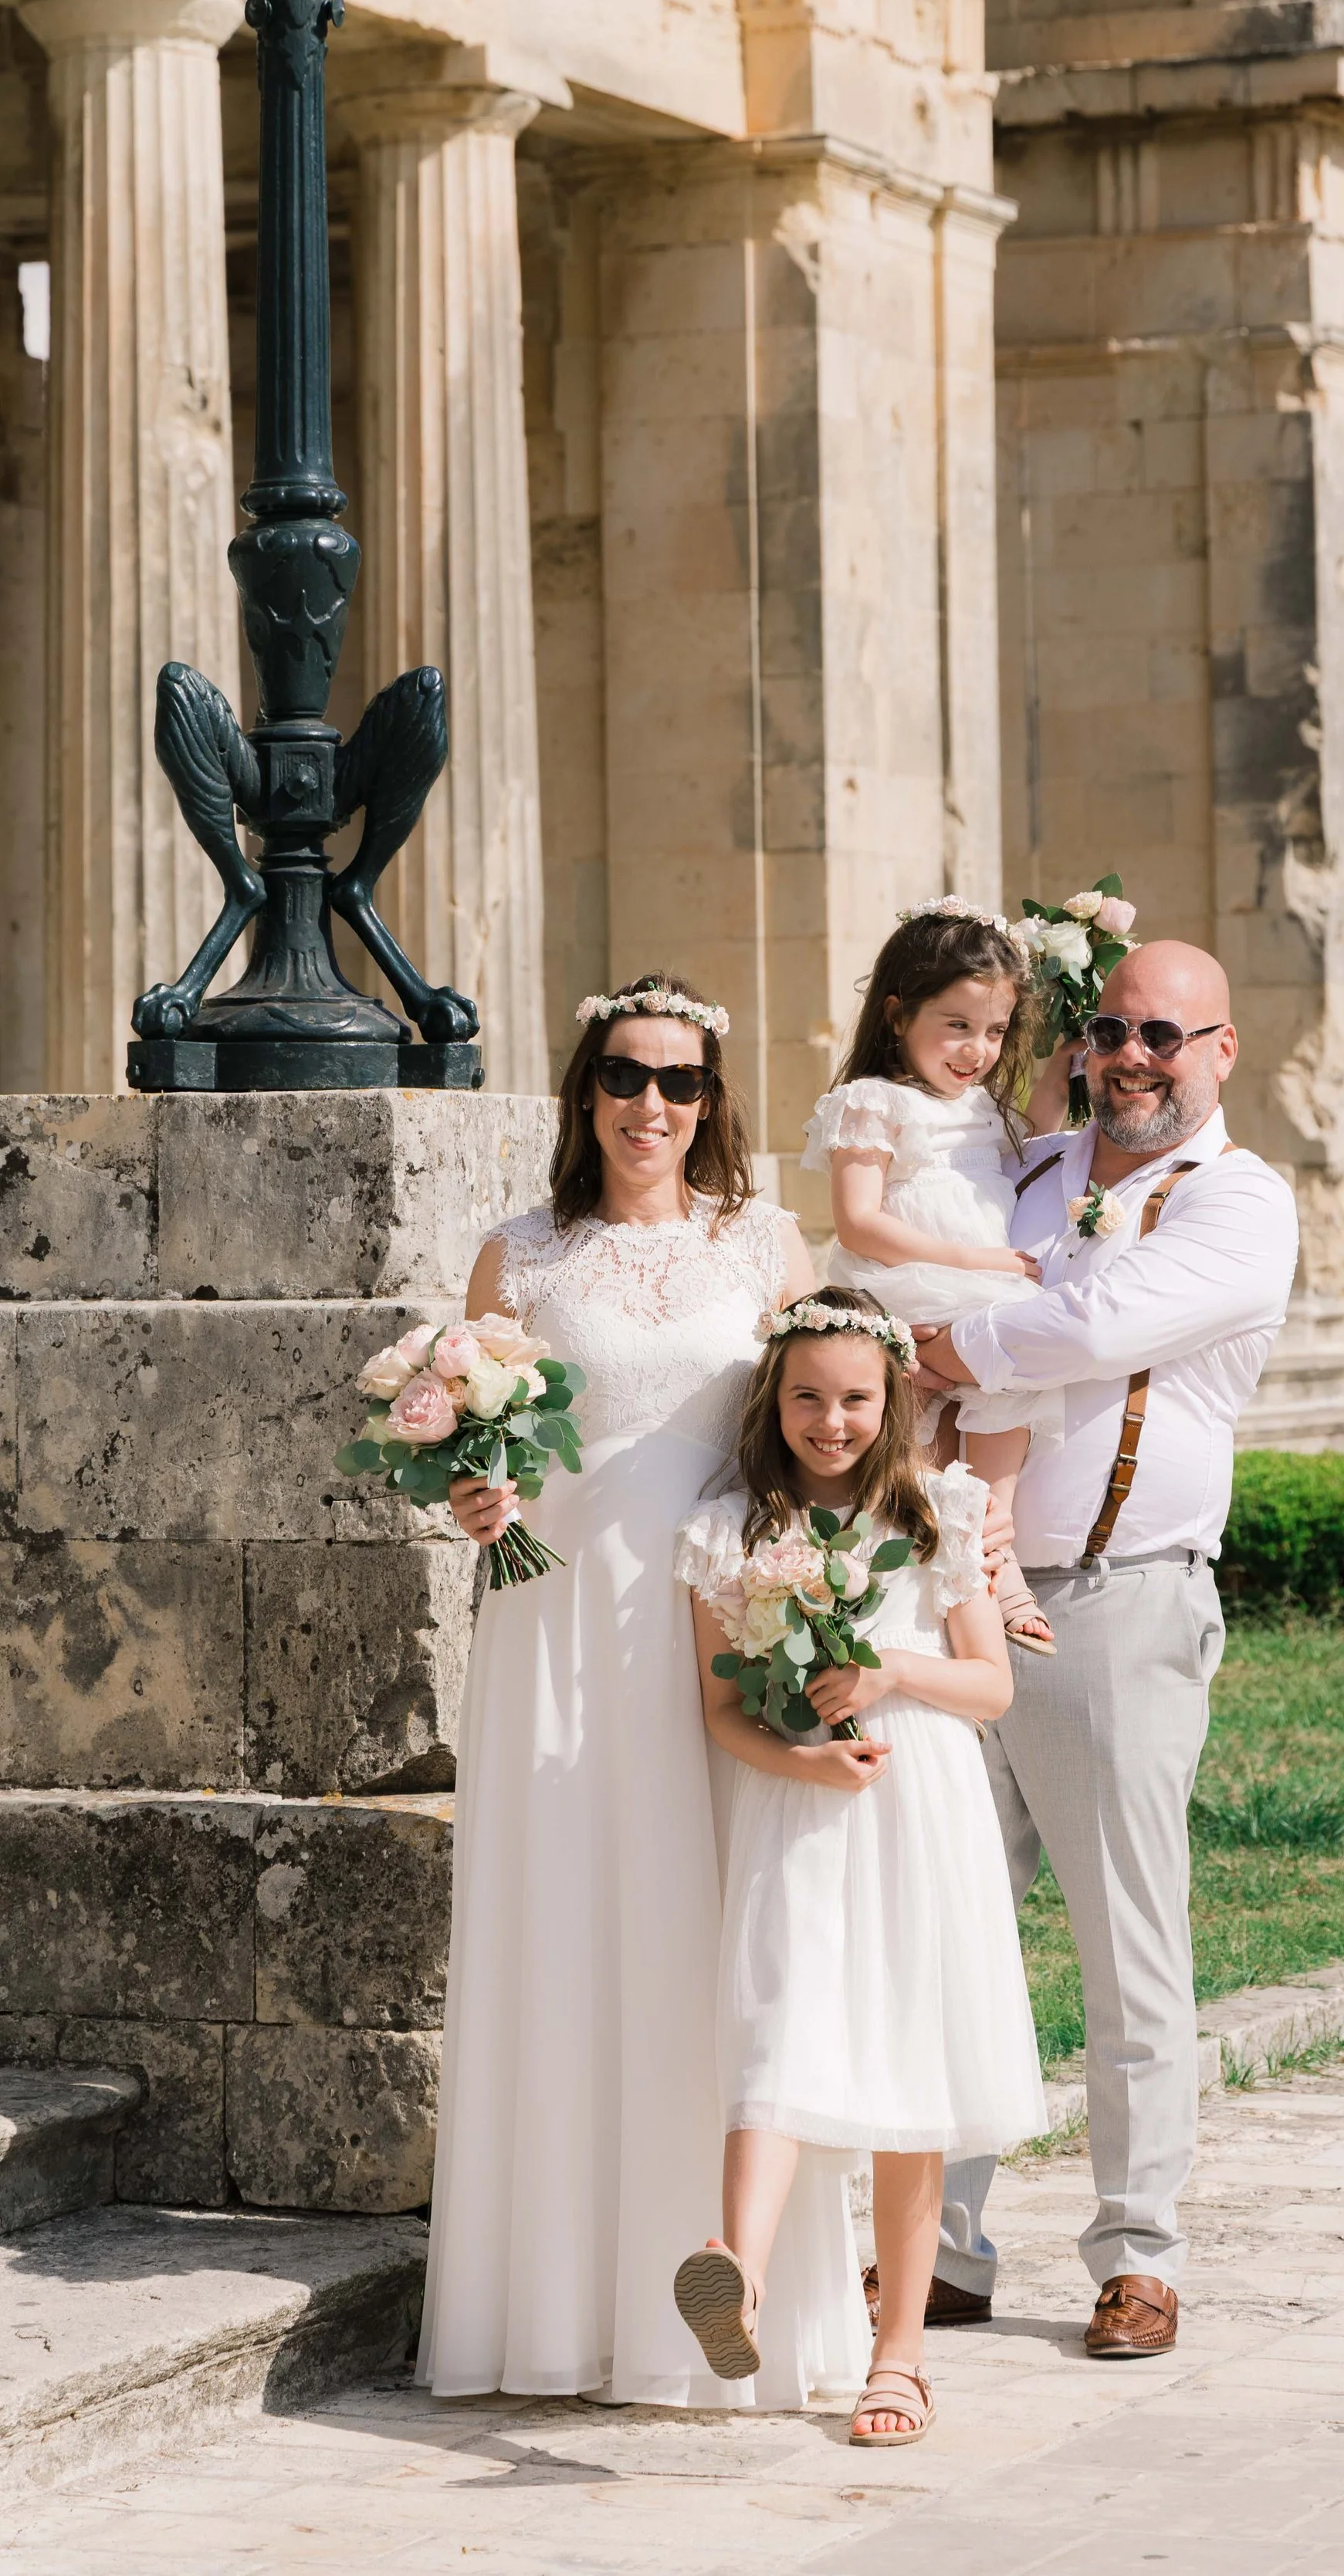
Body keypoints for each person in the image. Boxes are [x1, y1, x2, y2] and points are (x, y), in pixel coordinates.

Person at [416, 973, 834, 2407]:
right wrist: (471, 1494)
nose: (650, 1105)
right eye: (623, 1076)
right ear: (583, 1089)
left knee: (723, 1926)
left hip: (717, 1615)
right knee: (570, 1919)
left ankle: (726, 2279)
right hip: (558, 1618)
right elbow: (491, 1448)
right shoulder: (518, 1256)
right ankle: (556, 2303)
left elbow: (823, 1428)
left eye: (680, 1082)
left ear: (713, 1103)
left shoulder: (766, 1243)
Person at [914, 940, 1298, 2362]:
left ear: (1219, 1051)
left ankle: (1138, 2252)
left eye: (1164, 1035)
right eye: (1111, 1029)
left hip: (1119, 1606)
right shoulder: (1017, 1169)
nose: (1133, 1056)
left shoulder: (1242, 1204)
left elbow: (1101, 1319)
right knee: (940, 1923)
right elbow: (908, 1275)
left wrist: (955, 1348)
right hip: (952, 1599)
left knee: (1127, 1942)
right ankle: (937, 2250)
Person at [672, 1288, 1046, 2446]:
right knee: (777, 2027)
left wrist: (890, 1666)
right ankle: (738, 2265)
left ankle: (900, 2359)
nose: (829, 1421)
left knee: (912, 2067)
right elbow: (723, 1712)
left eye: (853, 1399)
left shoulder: (938, 1509)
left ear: (891, 1403)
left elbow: (992, 1687)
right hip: (804, 1804)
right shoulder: (732, 1527)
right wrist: (799, 1758)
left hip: (921, 1804)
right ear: (771, 1398)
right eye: (806, 1397)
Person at [802, 895, 1062, 1655]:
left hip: (977, 1292)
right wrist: (978, 1261)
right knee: (904, 1464)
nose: (976, 1049)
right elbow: (860, 1223)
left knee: (1012, 1382)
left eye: (994, 1030)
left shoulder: (985, 1110)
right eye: (956, 1025)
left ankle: (995, 1549)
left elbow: (1037, 1143)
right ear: (897, 1014)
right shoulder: (871, 1103)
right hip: (904, 1287)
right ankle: (891, 1600)